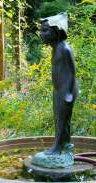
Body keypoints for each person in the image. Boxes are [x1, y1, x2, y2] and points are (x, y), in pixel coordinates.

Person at [40, 13, 78, 154]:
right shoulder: (56, 48)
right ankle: (66, 143)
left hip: (66, 91)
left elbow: (72, 72)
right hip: (59, 90)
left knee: (61, 120)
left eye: (45, 30)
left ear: (56, 31)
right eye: (41, 30)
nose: (41, 34)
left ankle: (57, 147)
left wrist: (68, 92)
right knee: (60, 118)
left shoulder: (65, 49)